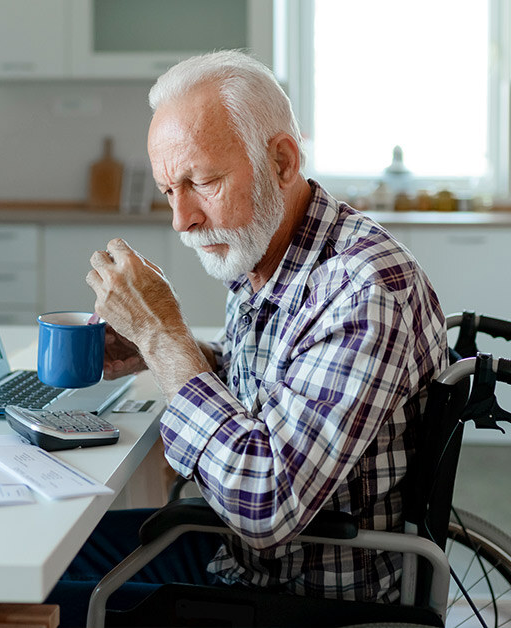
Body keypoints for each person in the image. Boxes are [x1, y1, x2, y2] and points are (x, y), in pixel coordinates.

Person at [46, 50, 448, 625]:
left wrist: (165, 338)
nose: (182, 218)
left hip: (299, 596)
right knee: (58, 543)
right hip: (244, 559)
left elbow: (265, 501)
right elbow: (274, 382)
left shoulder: (363, 289)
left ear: (282, 161)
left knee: (43, 597)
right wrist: (156, 350)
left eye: (202, 182)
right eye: (168, 191)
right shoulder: (268, 250)